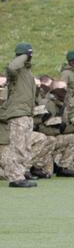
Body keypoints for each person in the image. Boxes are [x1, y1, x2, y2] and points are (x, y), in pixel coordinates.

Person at [1, 43, 38, 188]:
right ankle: (15, 177)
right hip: (18, 113)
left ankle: (21, 174)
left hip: (26, 112)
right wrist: (23, 54)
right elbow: (11, 67)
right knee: (18, 146)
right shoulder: (16, 70)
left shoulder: (27, 72)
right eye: (29, 54)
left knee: (25, 146)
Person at [32, 80, 74, 177]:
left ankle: (63, 167)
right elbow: (39, 128)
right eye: (62, 89)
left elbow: (64, 127)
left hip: (55, 137)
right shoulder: (46, 103)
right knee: (48, 172)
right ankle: (35, 167)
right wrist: (57, 130)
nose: (65, 92)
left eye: (65, 89)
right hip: (46, 139)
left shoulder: (62, 105)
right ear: (54, 90)